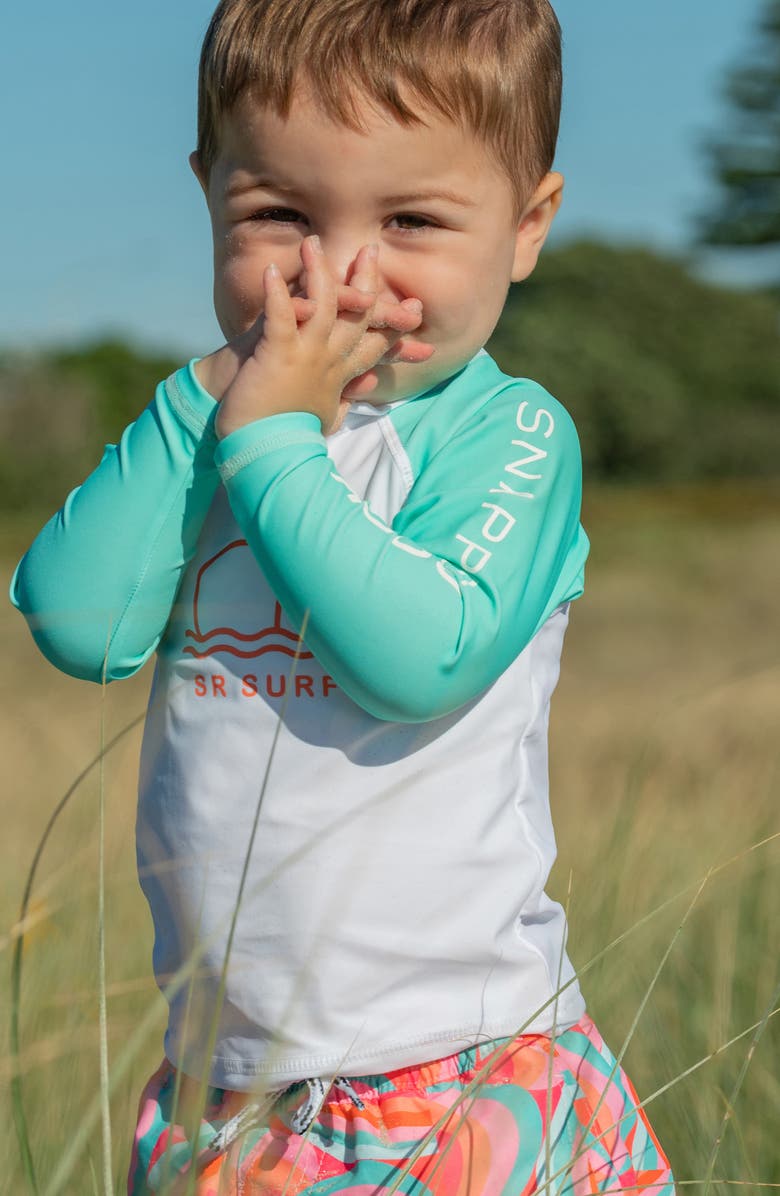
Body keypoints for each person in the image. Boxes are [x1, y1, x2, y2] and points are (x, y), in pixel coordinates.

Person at [11, 0, 676, 1191]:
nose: (341, 275)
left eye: (413, 219)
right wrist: (212, 398)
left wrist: (269, 444)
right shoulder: (217, 424)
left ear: (526, 228)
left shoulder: (507, 432)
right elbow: (79, 622)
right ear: (210, 193)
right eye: (278, 216)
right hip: (233, 1086)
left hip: (456, 1068)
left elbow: (422, 656)